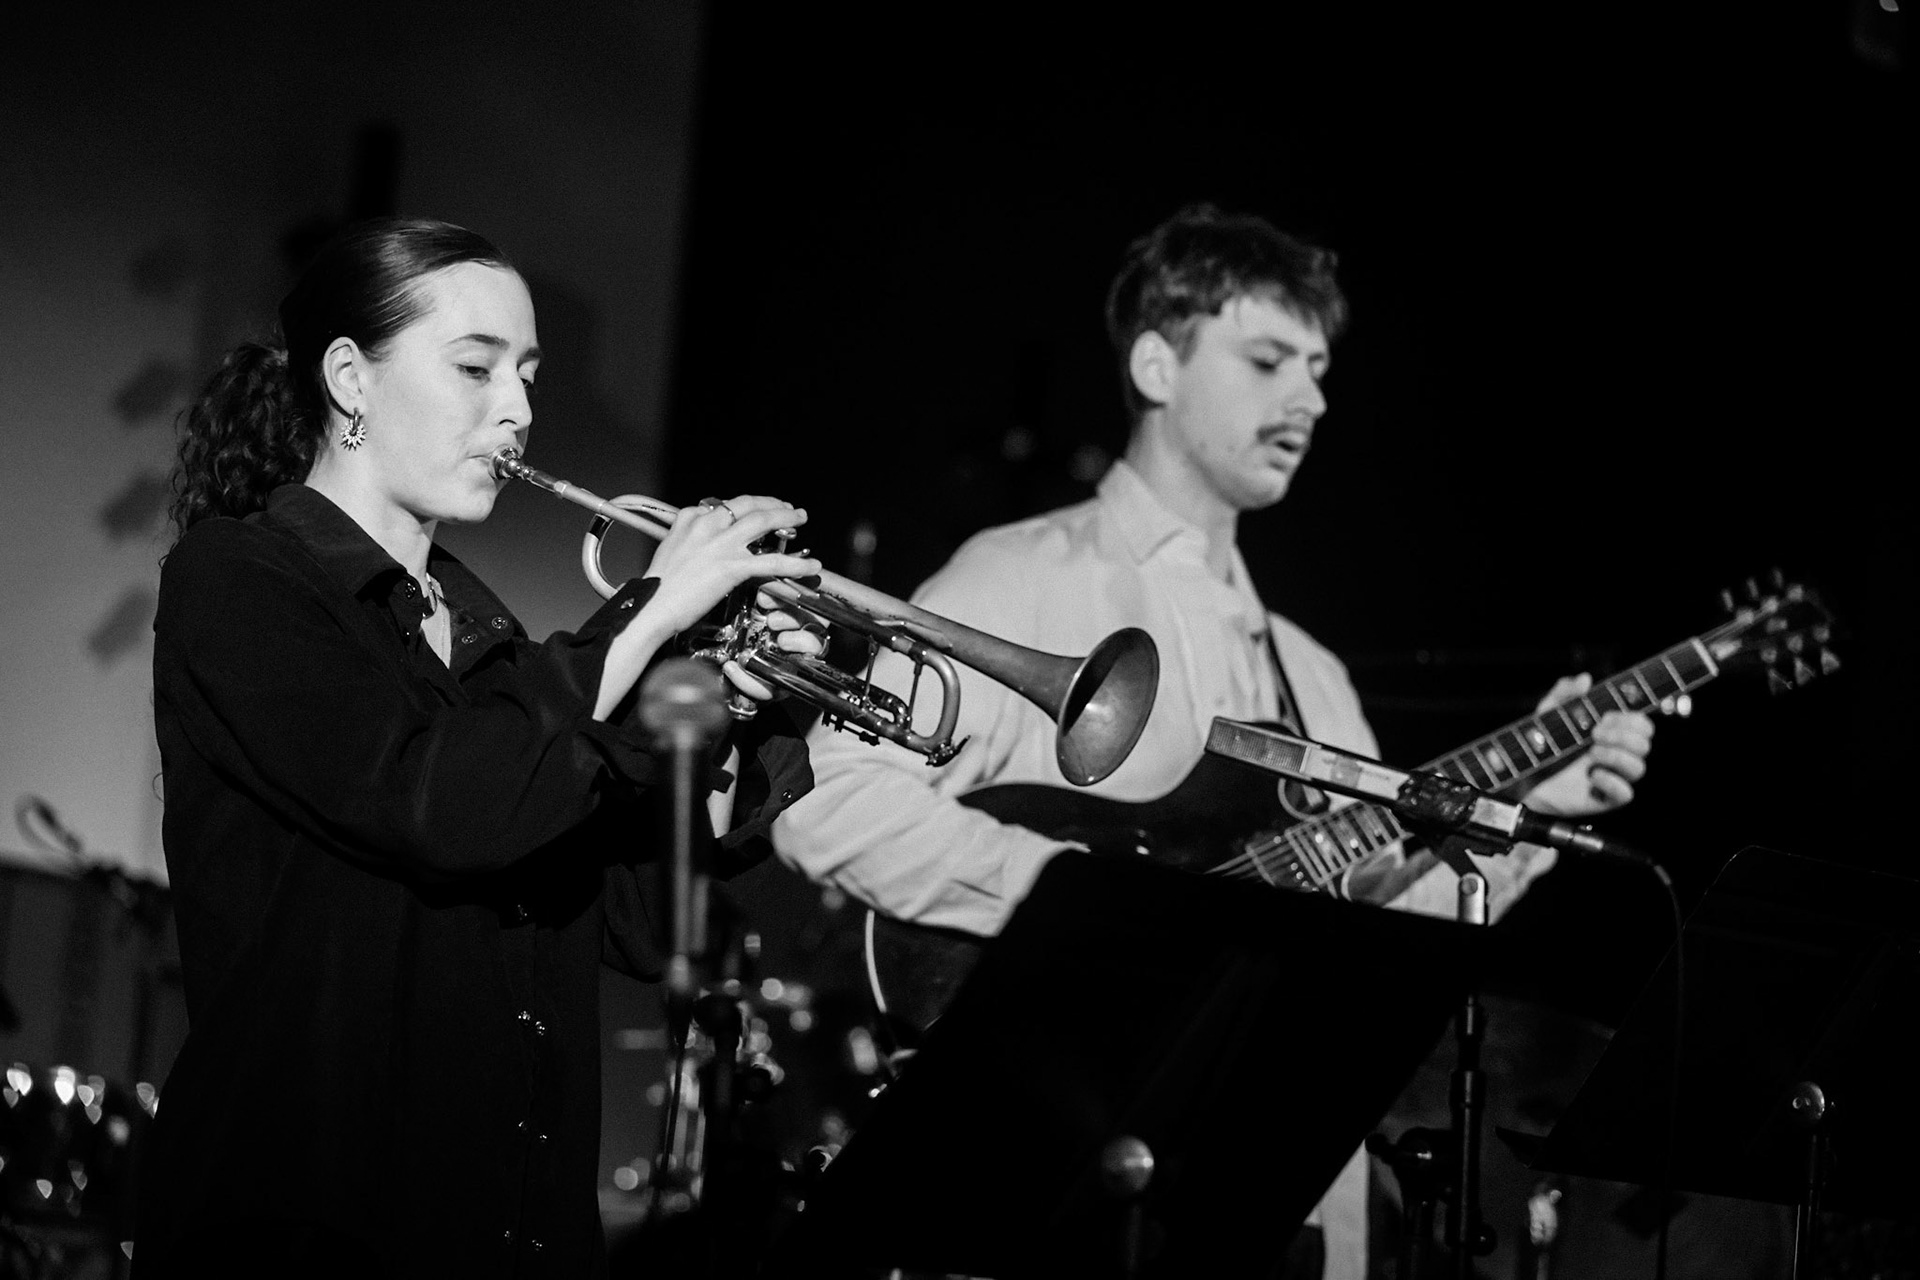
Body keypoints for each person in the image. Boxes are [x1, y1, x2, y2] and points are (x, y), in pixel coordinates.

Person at [771, 204, 1655, 1279]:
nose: (1313, 398)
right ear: (1157, 360)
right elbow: (828, 795)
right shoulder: (1018, 575)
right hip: (1068, 1170)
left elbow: (1364, 925)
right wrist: (1074, 904)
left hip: (1283, 1185)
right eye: (1270, 359)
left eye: (1320, 368)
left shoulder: (1312, 671)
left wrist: (1528, 817)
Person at [138, 217, 821, 1278]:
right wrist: (648, 611)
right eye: (476, 367)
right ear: (351, 380)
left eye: (530, 374)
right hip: (308, 1231)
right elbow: (436, 802)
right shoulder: (240, 581)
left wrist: (722, 691)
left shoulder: (500, 645)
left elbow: (641, 918)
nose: (520, 409)